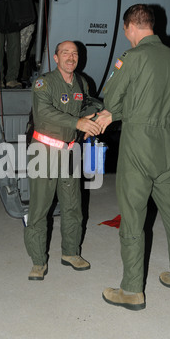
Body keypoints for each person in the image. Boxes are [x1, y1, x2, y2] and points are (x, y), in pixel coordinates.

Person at [96, 4, 170, 310]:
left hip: (140, 143)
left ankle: (132, 290)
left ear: (130, 27)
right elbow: (155, 102)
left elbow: (112, 99)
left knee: (134, 217)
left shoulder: (132, 58)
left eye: (126, 31)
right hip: (169, 141)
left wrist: (109, 113)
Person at [24, 40, 104, 280]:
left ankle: (71, 253)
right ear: (56, 58)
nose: (71, 57)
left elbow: (89, 102)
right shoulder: (44, 83)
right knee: (40, 209)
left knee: (72, 206)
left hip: (70, 152)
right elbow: (43, 113)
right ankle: (38, 261)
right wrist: (77, 123)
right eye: (65, 53)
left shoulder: (82, 82)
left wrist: (95, 115)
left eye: (75, 53)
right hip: (43, 152)